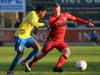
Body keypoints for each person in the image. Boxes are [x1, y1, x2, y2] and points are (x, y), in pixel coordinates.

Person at [23, 3, 94, 73]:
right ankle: (30, 64)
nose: (56, 12)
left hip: (60, 41)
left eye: (58, 10)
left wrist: (87, 23)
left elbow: (75, 19)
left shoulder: (65, 15)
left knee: (67, 52)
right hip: (51, 41)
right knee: (41, 55)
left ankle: (57, 67)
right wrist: (57, 19)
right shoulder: (51, 18)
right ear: (53, 11)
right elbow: (51, 23)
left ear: (60, 10)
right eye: (55, 11)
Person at [7, 5, 46, 74]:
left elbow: (34, 22)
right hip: (20, 37)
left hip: (27, 36)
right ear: (40, 11)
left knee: (37, 48)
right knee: (20, 55)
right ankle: (10, 70)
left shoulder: (37, 16)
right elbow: (32, 22)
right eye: (44, 12)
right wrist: (44, 24)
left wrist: (36, 28)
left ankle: (25, 61)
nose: (44, 14)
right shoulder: (32, 13)